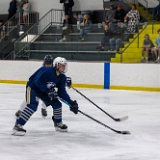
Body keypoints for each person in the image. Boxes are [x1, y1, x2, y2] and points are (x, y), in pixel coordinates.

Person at [12, 57, 78, 136]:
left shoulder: (62, 77)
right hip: (33, 88)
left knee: (57, 104)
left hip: (45, 91)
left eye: (64, 66)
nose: (63, 67)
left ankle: (58, 123)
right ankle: (18, 125)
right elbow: (37, 81)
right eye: (61, 65)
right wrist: (48, 90)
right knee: (32, 106)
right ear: (56, 65)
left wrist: (71, 103)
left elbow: (62, 92)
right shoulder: (47, 70)